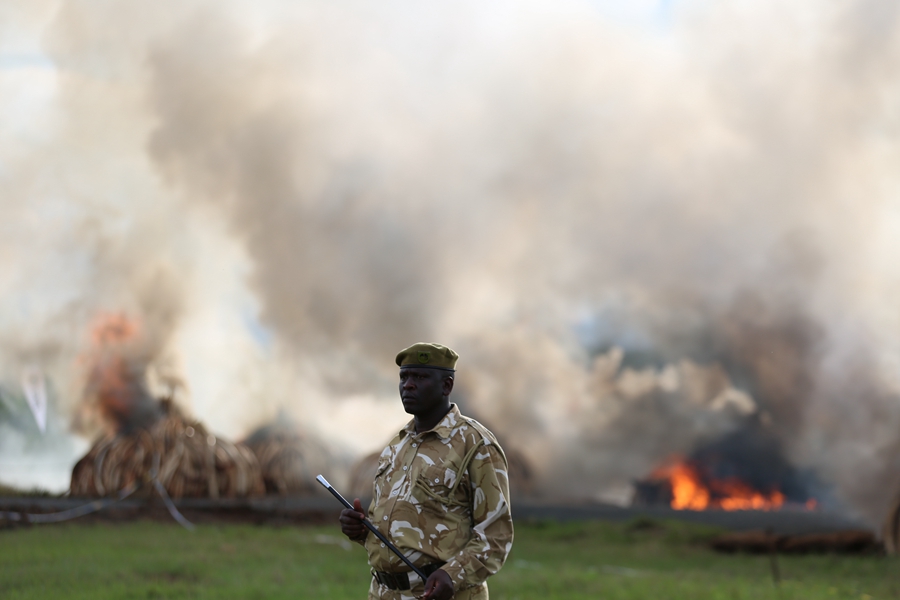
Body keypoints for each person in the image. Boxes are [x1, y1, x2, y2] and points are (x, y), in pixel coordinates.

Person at [340, 342, 513, 600]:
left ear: (447, 386)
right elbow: (399, 530)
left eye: (420, 377)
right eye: (404, 377)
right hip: (384, 593)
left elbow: (496, 537)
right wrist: (362, 530)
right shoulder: (397, 445)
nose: (408, 385)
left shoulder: (475, 445)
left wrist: (452, 575)